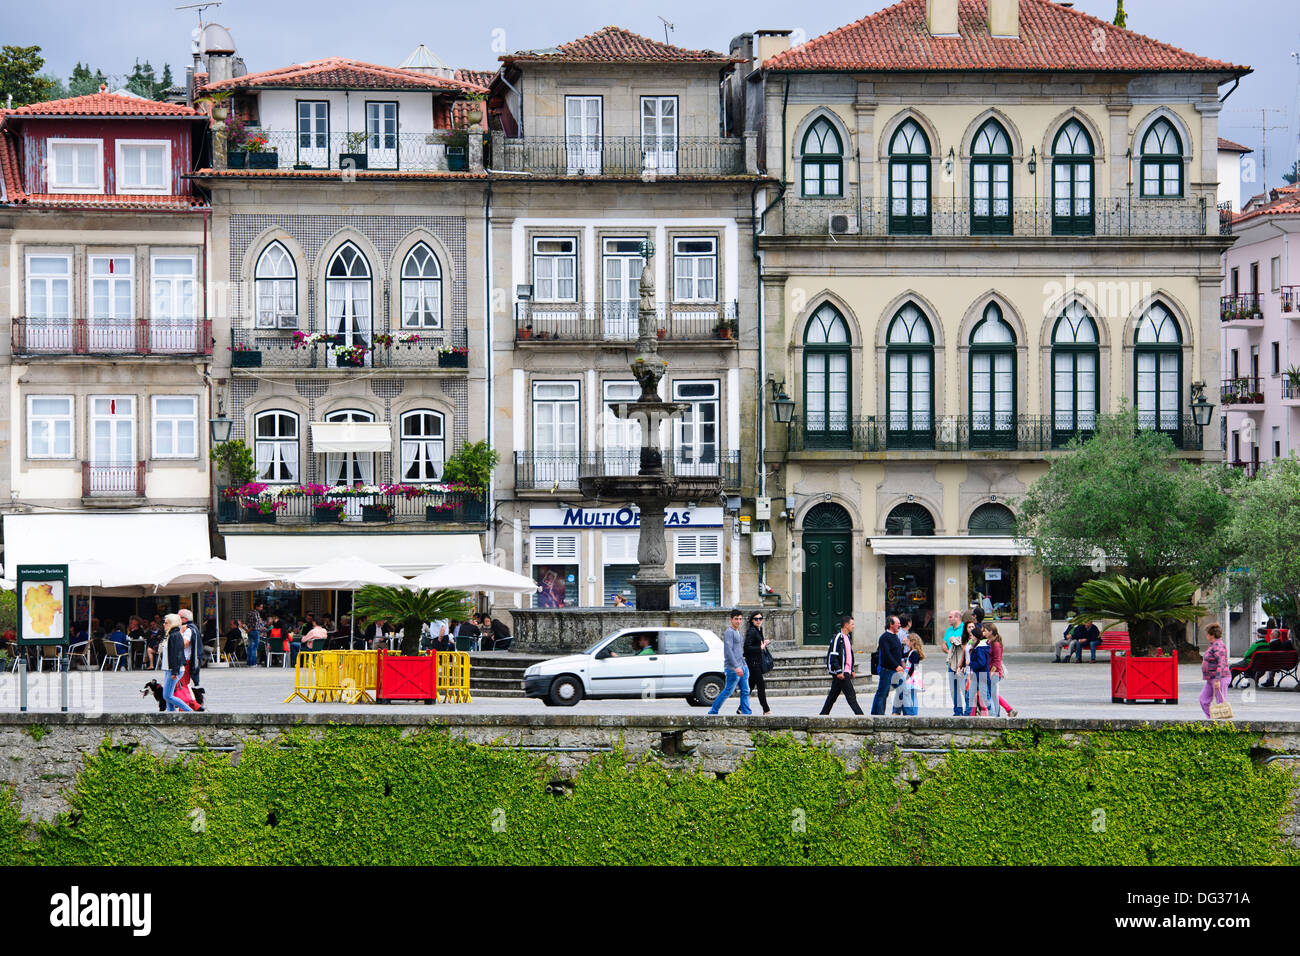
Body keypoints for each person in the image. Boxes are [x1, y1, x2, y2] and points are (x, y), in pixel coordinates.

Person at [707, 609, 752, 716]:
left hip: (743, 666)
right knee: (728, 691)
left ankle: (746, 713)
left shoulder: (738, 632)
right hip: (733, 668)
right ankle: (713, 711)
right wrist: (736, 667)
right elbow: (728, 651)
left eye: (740, 619)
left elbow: (739, 651)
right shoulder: (729, 632)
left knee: (746, 691)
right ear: (731, 620)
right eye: (736, 619)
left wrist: (744, 665)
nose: (738, 621)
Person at [819, 615, 863, 715]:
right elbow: (833, 655)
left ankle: (823, 715)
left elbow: (849, 656)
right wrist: (838, 671)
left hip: (846, 672)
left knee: (833, 696)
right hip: (841, 673)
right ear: (846, 625)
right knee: (851, 696)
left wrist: (851, 669)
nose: (853, 626)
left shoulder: (848, 638)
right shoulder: (838, 638)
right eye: (852, 624)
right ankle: (861, 717)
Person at [870, 616, 906, 715]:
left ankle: (896, 712)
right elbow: (886, 654)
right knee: (882, 693)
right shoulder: (884, 637)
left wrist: (908, 655)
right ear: (891, 624)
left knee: (902, 689)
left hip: (895, 670)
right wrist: (896, 666)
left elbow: (897, 653)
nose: (899, 625)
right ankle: (878, 715)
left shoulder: (896, 636)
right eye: (897, 623)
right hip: (887, 670)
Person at [160, 614, 192, 713]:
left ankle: (189, 712)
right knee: (168, 695)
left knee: (167, 695)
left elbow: (177, 654)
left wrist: (175, 671)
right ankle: (171, 714)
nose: (163, 624)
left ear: (172, 624)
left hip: (174, 669)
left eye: (166, 623)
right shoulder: (170, 634)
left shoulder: (175, 635)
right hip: (169, 669)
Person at [742, 611, 772, 716]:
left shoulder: (759, 630)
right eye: (756, 619)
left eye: (760, 618)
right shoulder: (751, 631)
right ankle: (766, 710)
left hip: (757, 662)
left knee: (750, 686)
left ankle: (741, 708)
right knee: (761, 686)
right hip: (752, 663)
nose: (758, 621)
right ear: (752, 620)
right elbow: (746, 648)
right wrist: (761, 647)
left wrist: (764, 643)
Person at [985, 623, 1017, 717]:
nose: (983, 632)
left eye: (985, 630)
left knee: (991, 694)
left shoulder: (996, 644)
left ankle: (996, 715)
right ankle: (1008, 710)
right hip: (990, 672)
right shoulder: (989, 642)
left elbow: (997, 661)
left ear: (990, 632)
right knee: (992, 693)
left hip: (995, 673)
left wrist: (990, 674)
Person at [1200, 623, 1230, 718]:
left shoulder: (1218, 646)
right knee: (1203, 700)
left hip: (1220, 678)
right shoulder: (1213, 645)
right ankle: (1213, 720)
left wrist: (1217, 680)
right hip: (1210, 678)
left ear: (1212, 635)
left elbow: (1221, 663)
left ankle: (1223, 725)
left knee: (1220, 702)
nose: (1206, 636)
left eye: (1207, 634)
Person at [966, 615, 993, 716]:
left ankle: (992, 715)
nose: (970, 637)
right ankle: (970, 715)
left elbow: (981, 663)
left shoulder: (980, 648)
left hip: (981, 676)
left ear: (976, 637)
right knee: (970, 695)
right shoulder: (977, 646)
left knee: (985, 697)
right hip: (976, 675)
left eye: (972, 636)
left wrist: (970, 663)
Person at [893, 634, 924, 716]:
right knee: (910, 694)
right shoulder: (911, 652)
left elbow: (913, 667)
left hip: (912, 676)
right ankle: (912, 712)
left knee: (912, 696)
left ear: (912, 642)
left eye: (907, 640)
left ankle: (913, 712)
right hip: (910, 675)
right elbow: (902, 655)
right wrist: (902, 645)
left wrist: (907, 677)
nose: (906, 641)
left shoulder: (914, 653)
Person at [247, 600, 265, 668]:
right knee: (254, 648)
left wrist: (248, 630)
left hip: (250, 632)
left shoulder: (249, 612)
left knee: (250, 647)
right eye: (260, 607)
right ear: (257, 607)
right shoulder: (256, 613)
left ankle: (249, 663)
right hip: (255, 631)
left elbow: (246, 622)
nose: (261, 608)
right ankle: (253, 663)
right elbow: (255, 624)